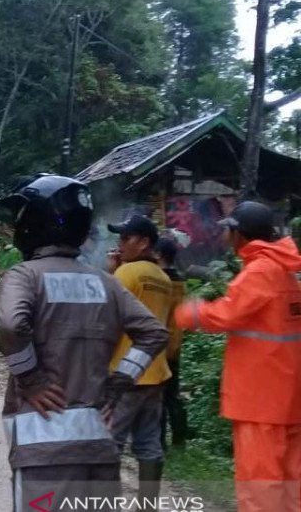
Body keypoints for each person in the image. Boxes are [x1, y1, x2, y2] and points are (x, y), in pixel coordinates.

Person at [0, 174, 168, 512]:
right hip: (98, 445)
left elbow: (10, 324)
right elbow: (154, 333)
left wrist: (30, 378)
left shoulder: (26, 275)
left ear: (32, 222)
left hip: (43, 450)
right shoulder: (106, 282)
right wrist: (119, 383)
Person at [174, 201, 301, 512]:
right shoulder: (285, 271)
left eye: (227, 231)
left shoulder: (259, 271)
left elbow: (227, 314)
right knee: (291, 479)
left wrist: (190, 313)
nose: (224, 237)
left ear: (239, 234)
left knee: (260, 480)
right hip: (288, 395)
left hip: (260, 397)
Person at [106, 215, 173, 508]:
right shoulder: (163, 278)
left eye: (125, 238)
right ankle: (148, 504)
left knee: (110, 443)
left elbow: (108, 320)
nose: (119, 245)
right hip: (156, 372)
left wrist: (112, 274)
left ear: (143, 242)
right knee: (148, 444)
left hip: (126, 371)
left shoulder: (127, 273)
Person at [154, 237, 190, 449]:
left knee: (158, 397)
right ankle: (179, 438)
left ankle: (159, 442)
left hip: (159, 345)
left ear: (158, 255)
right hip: (175, 343)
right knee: (173, 395)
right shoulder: (180, 279)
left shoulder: (160, 281)